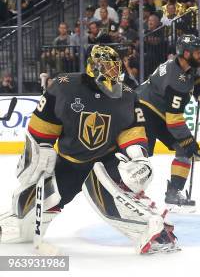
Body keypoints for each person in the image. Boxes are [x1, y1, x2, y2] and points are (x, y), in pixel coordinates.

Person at [0, 45, 177, 254]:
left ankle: (153, 230)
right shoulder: (64, 87)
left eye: (115, 70)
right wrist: (41, 148)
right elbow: (42, 125)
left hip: (105, 160)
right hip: (69, 162)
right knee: (45, 196)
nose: (113, 75)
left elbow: (132, 130)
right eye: (108, 69)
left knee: (110, 192)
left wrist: (138, 156)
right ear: (94, 68)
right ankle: (16, 224)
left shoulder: (128, 96)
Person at [136, 35, 200, 211]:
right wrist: (189, 142)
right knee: (140, 154)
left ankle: (173, 194)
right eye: (197, 53)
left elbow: (190, 73)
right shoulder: (176, 82)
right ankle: (130, 190)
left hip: (160, 113)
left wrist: (197, 82)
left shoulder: (180, 64)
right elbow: (174, 120)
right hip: (144, 109)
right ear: (185, 53)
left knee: (183, 149)